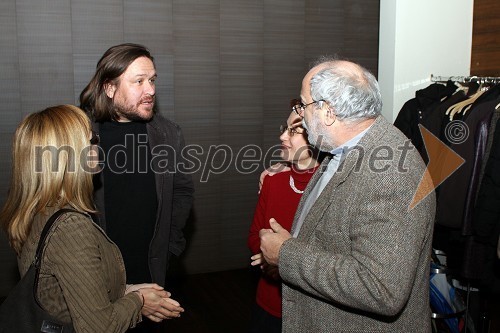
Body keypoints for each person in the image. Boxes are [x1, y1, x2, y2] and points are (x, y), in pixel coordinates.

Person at [253, 58, 436, 332]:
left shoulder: (391, 174)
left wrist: (286, 254)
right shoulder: (344, 149)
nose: (300, 114)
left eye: (303, 105)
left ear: (327, 112)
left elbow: (380, 288)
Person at [0, 105, 182, 332]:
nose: (99, 144)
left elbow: (70, 290)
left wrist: (129, 290)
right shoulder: (70, 228)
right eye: (93, 138)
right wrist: (140, 301)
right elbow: (100, 327)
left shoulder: (36, 210)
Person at [79, 43, 194, 331]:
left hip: (153, 268)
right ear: (109, 88)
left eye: (152, 80)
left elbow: (182, 191)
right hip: (95, 277)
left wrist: (170, 246)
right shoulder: (81, 135)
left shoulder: (167, 133)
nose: (151, 90)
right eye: (139, 81)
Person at [248, 110, 322, 333]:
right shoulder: (273, 180)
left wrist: (283, 260)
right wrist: (269, 259)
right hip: (269, 302)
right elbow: (254, 235)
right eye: (284, 129)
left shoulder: (331, 186)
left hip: (312, 310)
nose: (282, 137)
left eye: (293, 131)